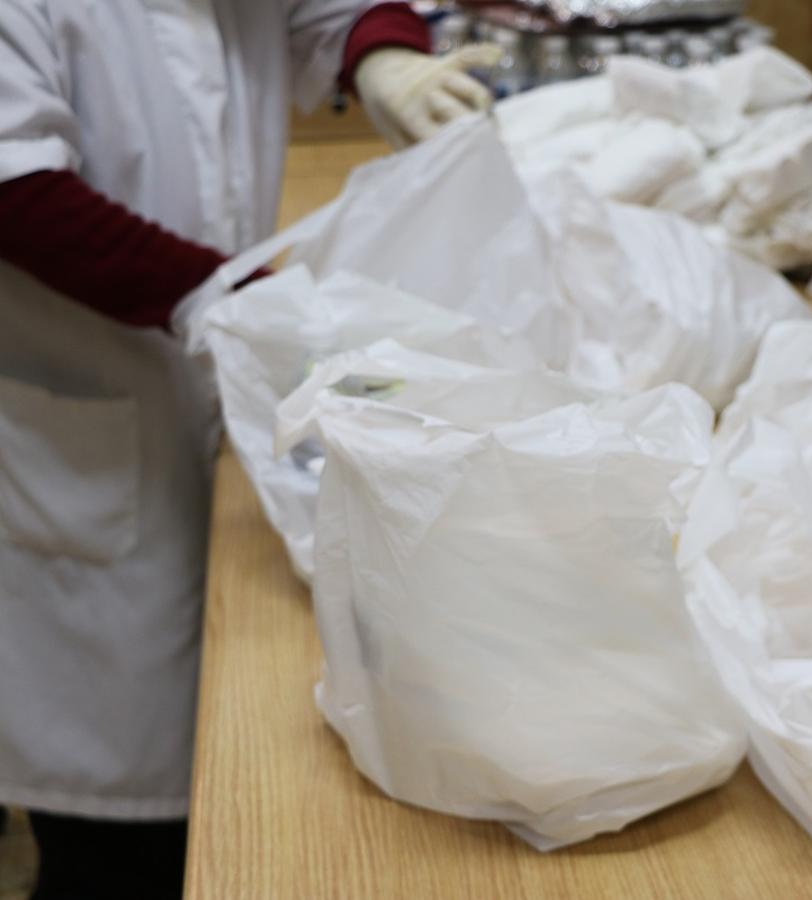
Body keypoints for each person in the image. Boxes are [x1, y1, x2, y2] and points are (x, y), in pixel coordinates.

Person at [0, 3, 499, 897]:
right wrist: (226, 289)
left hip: (201, 387)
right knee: (116, 843)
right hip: (80, 416)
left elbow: (332, 8)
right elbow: (15, 190)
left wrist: (381, 55)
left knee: (230, 748)